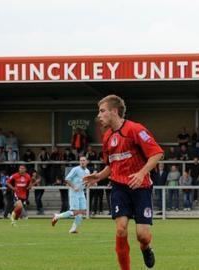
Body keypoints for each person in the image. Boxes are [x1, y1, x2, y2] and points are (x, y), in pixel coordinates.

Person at [83, 95, 164, 270]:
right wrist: (99, 176)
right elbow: (112, 165)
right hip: (119, 187)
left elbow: (157, 153)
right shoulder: (106, 137)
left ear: (114, 111)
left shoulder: (135, 129)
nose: (99, 115)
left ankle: (146, 247)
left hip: (140, 187)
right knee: (121, 229)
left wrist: (142, 173)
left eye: (102, 111)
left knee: (142, 235)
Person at [52, 156, 90, 233]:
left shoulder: (87, 171)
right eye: (81, 160)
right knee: (75, 212)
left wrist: (90, 183)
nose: (82, 162)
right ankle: (57, 216)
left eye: (83, 160)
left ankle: (73, 229)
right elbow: (67, 179)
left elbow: (86, 182)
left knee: (82, 211)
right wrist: (74, 186)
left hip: (81, 192)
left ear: (86, 162)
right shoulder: (75, 169)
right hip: (74, 192)